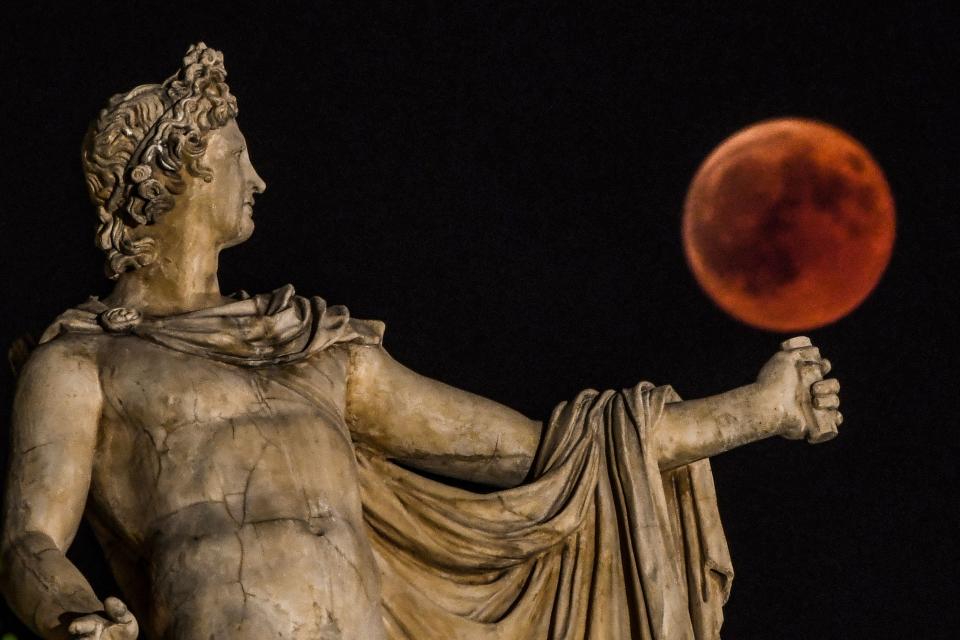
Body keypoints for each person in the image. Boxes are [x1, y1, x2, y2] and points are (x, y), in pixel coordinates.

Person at [0, 44, 841, 640]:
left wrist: (758, 411)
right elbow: (30, 542)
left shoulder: (314, 346)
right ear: (180, 174)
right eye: (237, 157)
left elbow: (546, 453)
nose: (257, 180)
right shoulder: (84, 364)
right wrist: (76, 617)